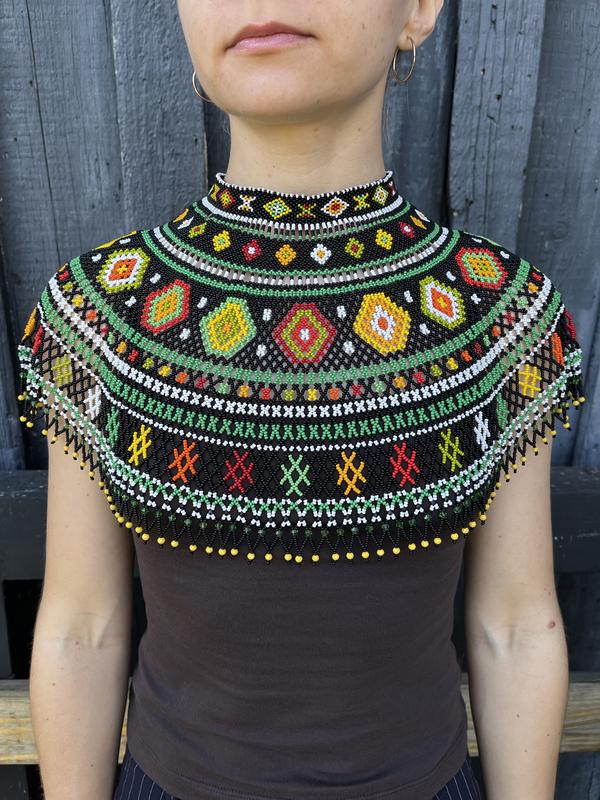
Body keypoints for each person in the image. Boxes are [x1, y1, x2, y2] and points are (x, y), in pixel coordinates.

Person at [16, 1, 585, 798]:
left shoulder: (501, 314)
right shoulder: (98, 314)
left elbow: (516, 628)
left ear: (420, 10)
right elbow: (82, 629)